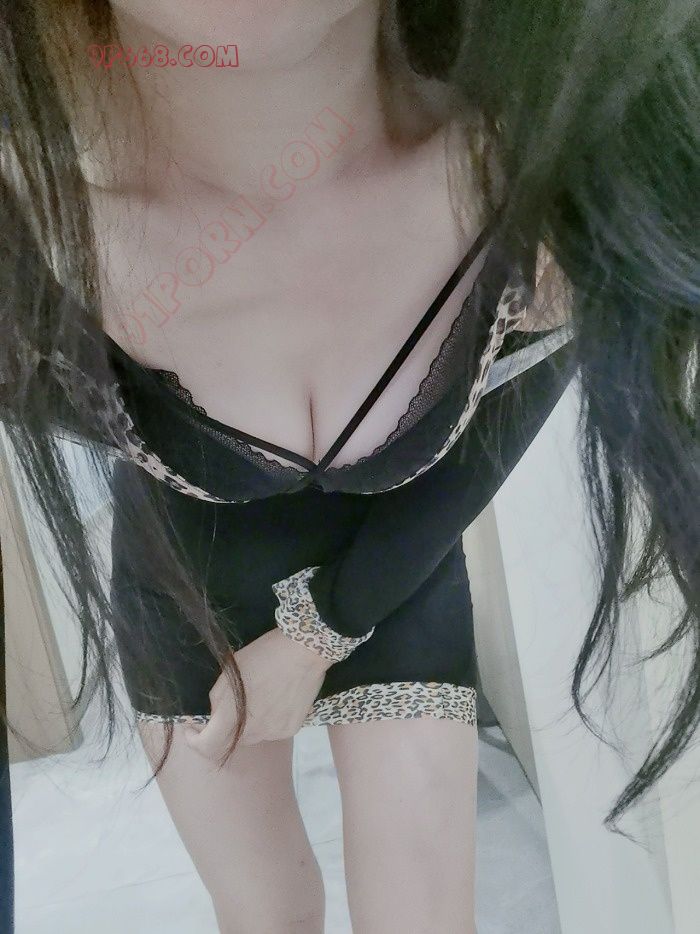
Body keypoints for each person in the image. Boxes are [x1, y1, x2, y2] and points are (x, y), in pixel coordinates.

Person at [0, 2, 697, 932]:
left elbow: (472, 466)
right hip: (184, 602)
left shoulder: (558, 195)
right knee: (270, 914)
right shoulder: (32, 250)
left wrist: (319, 631)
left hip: (393, 575)